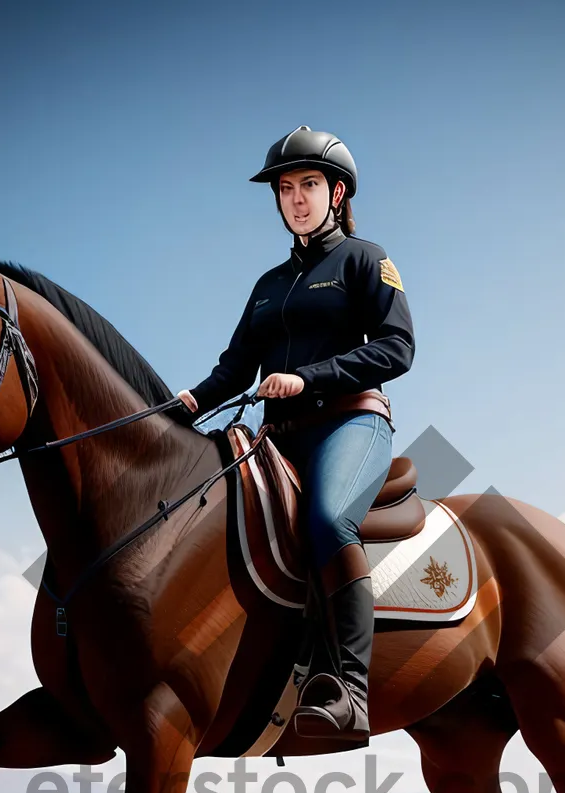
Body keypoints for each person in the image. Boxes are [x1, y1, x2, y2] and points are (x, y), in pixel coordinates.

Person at [176, 126, 414, 742]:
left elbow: (398, 347)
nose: (297, 198)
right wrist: (188, 402)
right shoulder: (267, 285)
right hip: (278, 436)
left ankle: (350, 691)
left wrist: (305, 379)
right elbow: (234, 369)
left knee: (327, 519)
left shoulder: (367, 260)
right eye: (286, 188)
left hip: (351, 423)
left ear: (336, 193)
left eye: (309, 185)